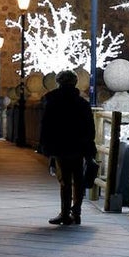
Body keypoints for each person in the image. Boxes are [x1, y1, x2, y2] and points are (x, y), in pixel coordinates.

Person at [38, 68, 96, 225]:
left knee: (65, 180)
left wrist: (44, 145)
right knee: (78, 179)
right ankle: (76, 212)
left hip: (60, 145)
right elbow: (90, 128)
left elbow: (46, 125)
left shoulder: (52, 101)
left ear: (58, 83)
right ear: (75, 83)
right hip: (79, 145)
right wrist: (89, 146)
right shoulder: (82, 103)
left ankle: (64, 213)